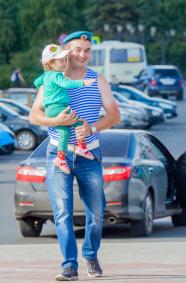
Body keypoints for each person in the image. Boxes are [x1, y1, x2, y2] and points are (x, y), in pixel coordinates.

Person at [29, 31, 120, 281]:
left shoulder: (97, 79)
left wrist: (93, 127)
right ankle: (69, 265)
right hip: (58, 153)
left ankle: (90, 254)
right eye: (78, 49)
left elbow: (114, 114)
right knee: (62, 212)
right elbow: (34, 116)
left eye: (87, 50)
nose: (83, 54)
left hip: (89, 155)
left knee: (96, 212)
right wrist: (53, 120)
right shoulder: (52, 78)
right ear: (66, 51)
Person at [34, 44, 96, 174]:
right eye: (61, 61)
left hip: (50, 110)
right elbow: (67, 83)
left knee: (64, 133)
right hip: (59, 108)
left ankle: (60, 158)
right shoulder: (57, 76)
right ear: (50, 63)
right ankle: (81, 147)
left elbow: (36, 82)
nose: (64, 63)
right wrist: (82, 82)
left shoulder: (46, 76)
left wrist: (47, 88)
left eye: (65, 59)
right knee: (79, 123)